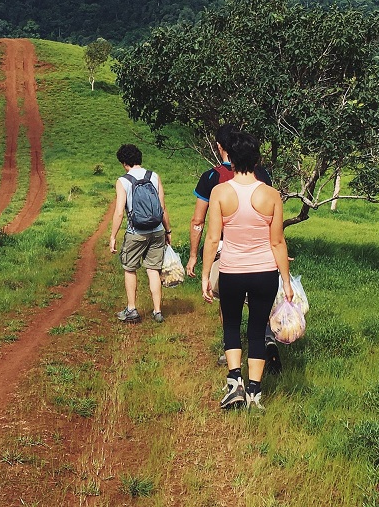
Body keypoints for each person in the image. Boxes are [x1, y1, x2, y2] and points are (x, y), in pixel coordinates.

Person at [201, 131, 293, 411]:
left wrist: (206, 275)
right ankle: (255, 393)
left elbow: (213, 238)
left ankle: (234, 385)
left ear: (229, 157)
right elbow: (277, 241)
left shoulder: (220, 192)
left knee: (231, 325)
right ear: (257, 159)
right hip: (265, 273)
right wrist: (286, 281)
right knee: (256, 329)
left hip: (231, 270)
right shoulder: (271, 195)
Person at [186, 124, 282, 373]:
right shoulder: (262, 176)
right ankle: (265, 343)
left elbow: (199, 222)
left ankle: (232, 360)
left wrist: (195, 257)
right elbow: (274, 230)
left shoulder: (212, 179)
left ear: (221, 148)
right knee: (259, 308)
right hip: (263, 255)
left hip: (227, 253)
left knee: (230, 312)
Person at [109, 144, 172, 324]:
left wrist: (113, 236)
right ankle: (158, 311)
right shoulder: (154, 176)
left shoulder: (123, 181)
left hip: (136, 232)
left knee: (130, 268)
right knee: (153, 269)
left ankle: (132, 310)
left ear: (124, 163)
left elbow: (120, 211)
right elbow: (162, 208)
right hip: (157, 230)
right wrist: (168, 230)